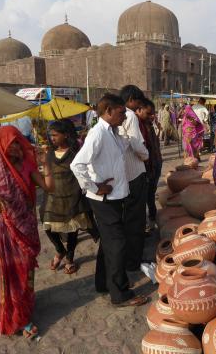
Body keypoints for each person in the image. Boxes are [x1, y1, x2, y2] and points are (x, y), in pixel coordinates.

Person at [0, 126, 53, 339]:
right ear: (1, 143)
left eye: (18, 142)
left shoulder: (27, 165)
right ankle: (19, 319)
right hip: (2, 228)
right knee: (10, 271)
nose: (15, 147)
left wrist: (46, 164)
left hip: (25, 225)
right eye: (11, 142)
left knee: (25, 268)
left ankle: (25, 304)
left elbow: (48, 187)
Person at [70, 93, 148, 307]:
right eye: (122, 112)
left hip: (115, 196)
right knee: (117, 244)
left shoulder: (113, 132)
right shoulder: (97, 134)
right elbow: (77, 165)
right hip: (103, 199)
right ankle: (120, 294)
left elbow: (124, 150)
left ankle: (104, 283)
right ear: (108, 111)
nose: (125, 116)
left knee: (109, 243)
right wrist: (95, 186)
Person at [39, 120, 94, 275]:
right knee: (47, 225)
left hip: (72, 197)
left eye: (55, 134)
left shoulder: (75, 154)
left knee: (72, 229)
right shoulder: (49, 154)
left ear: (66, 135)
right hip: (52, 198)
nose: (52, 138)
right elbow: (46, 176)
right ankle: (59, 250)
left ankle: (69, 258)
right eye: (50, 135)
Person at [118, 85, 150, 271]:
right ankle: (134, 260)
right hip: (135, 172)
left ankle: (129, 257)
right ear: (131, 99)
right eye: (137, 101)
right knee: (136, 219)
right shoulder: (129, 115)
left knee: (127, 218)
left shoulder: (112, 117)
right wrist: (146, 155)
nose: (139, 105)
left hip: (123, 174)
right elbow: (136, 144)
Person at [136, 99, 162, 231]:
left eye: (153, 113)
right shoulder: (138, 126)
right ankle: (149, 220)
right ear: (139, 110)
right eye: (149, 113)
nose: (152, 116)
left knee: (150, 194)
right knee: (146, 196)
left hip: (155, 163)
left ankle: (152, 218)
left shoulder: (149, 125)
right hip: (147, 167)